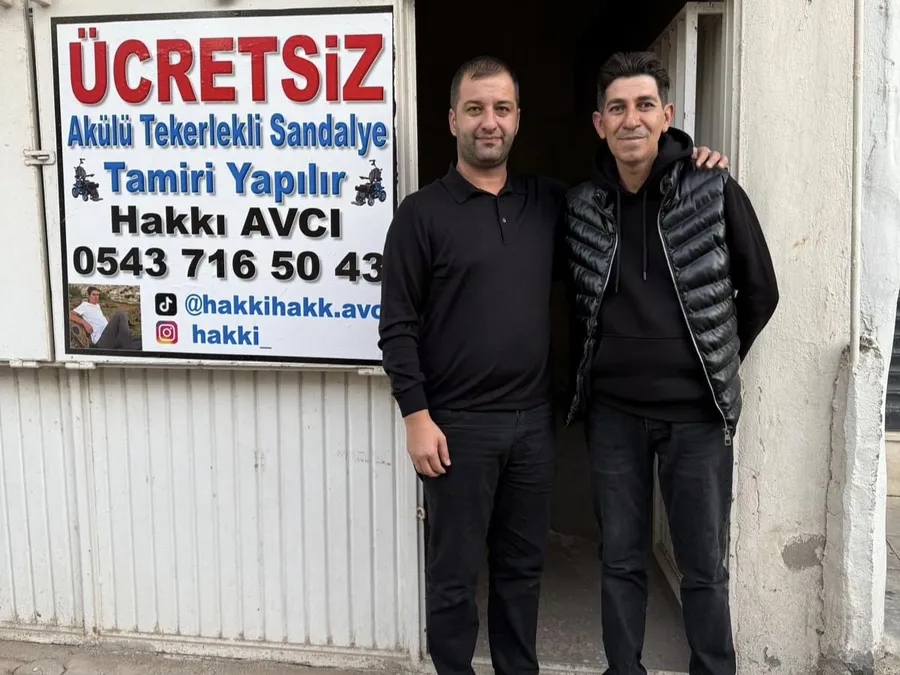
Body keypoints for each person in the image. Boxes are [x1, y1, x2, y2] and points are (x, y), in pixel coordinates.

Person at [377, 55, 728, 675]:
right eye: (475, 109)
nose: (489, 122)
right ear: (452, 120)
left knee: (521, 571)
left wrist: (688, 161)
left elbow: (626, 195)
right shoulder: (420, 214)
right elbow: (397, 326)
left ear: (518, 119)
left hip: (532, 427)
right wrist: (416, 416)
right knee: (454, 576)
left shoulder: (549, 203)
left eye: (502, 109)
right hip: (455, 427)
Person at [563, 51, 779, 675]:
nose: (631, 119)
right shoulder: (581, 206)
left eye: (644, 105)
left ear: (666, 114)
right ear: (599, 123)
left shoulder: (713, 188)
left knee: (703, 567)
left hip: (696, 417)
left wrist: (710, 358)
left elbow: (760, 291)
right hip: (614, 417)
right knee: (620, 559)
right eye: (617, 107)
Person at [70, 286, 138, 350]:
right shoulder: (85, 305)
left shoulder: (97, 305)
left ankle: (126, 344)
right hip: (101, 340)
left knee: (139, 340)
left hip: (109, 337)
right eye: (93, 294)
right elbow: (70, 314)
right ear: (88, 296)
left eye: (97, 295)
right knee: (120, 313)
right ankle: (126, 344)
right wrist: (84, 323)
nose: (96, 297)